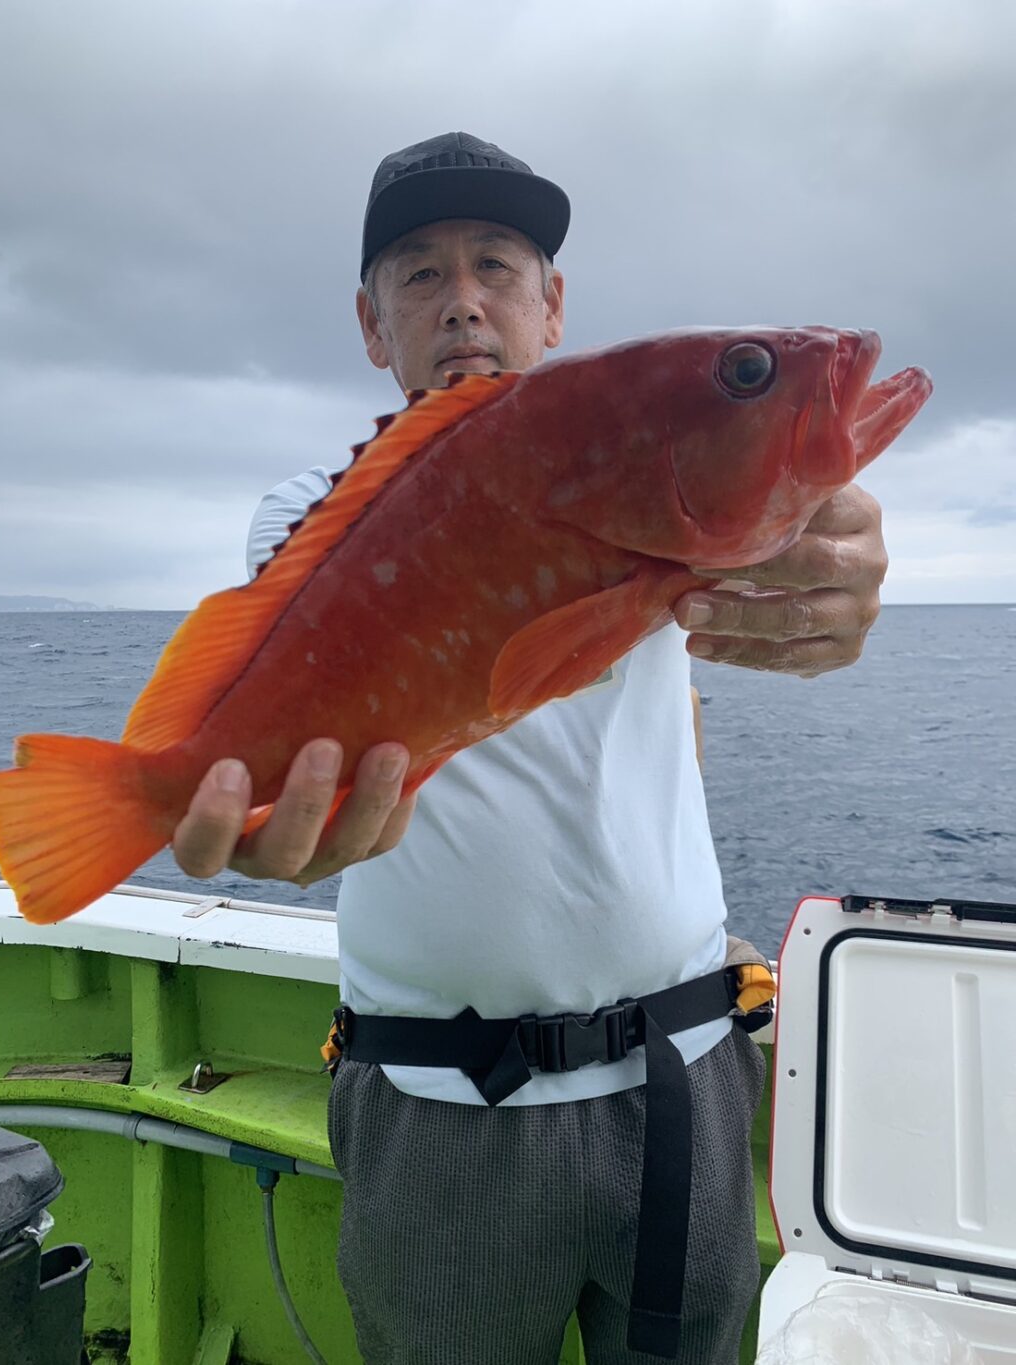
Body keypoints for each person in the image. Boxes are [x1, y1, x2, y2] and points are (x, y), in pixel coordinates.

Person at [172, 133, 888, 1365]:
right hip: (441, 1106)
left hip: (681, 1078)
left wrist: (834, 570)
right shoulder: (311, 518)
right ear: (371, 325)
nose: (462, 300)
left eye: (497, 265)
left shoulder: (656, 491)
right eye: (418, 273)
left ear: (552, 308)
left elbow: (781, 566)